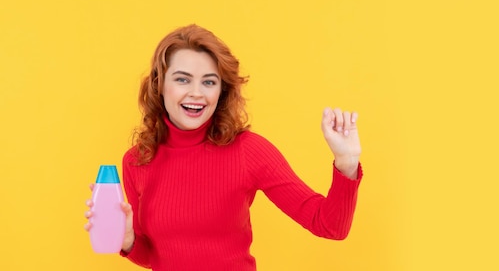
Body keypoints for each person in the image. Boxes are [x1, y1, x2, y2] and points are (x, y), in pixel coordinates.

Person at [84, 24, 363, 271]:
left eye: (209, 81)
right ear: (160, 86)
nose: (197, 92)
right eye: (182, 79)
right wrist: (128, 241)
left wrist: (346, 163)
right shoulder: (137, 161)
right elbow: (153, 256)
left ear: (221, 91)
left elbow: (330, 226)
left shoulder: (248, 151)